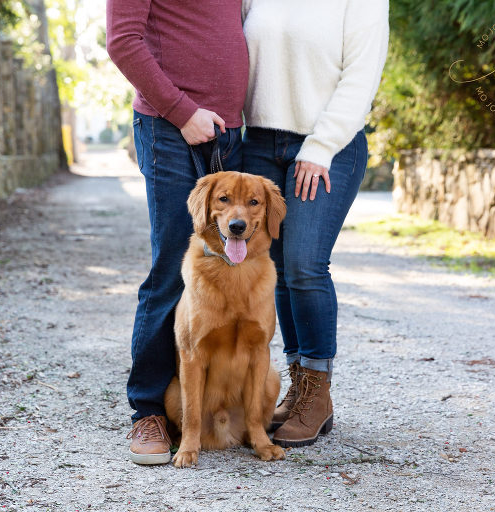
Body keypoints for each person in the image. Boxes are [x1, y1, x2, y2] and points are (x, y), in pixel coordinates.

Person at [106, 0, 248, 465]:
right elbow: (123, 41)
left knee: (227, 266)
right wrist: (182, 111)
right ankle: (148, 412)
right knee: (172, 267)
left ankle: (209, 402)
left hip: (228, 133)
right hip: (170, 127)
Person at [241, 0, 389, 447]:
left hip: (330, 145)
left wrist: (320, 146)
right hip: (261, 143)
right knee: (280, 272)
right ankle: (299, 385)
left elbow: (361, 76)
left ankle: (318, 394)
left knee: (305, 263)